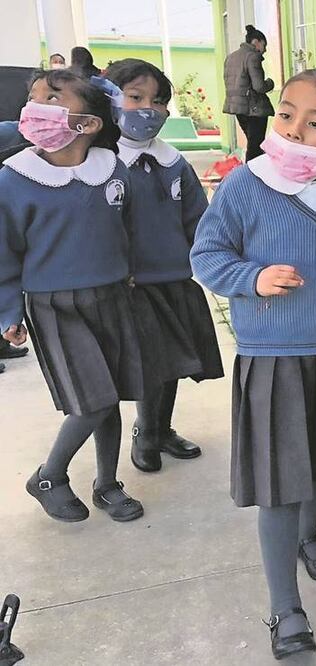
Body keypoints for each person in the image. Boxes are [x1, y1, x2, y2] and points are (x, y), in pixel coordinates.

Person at [191, 67, 316, 660]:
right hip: (274, 359)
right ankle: (285, 607)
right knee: (281, 486)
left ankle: (311, 536)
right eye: (286, 114)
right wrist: (252, 277)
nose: (295, 130)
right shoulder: (246, 186)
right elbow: (206, 255)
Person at [0, 69, 146, 523]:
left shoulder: (111, 171)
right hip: (56, 306)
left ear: (88, 124)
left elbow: (128, 233)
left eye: (51, 98)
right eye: (34, 97)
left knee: (112, 395)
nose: (35, 107)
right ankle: (49, 475)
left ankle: (107, 483)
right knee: (93, 399)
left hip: (112, 298)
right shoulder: (13, 180)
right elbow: (3, 254)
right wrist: (7, 309)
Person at [103, 59, 225, 473]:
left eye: (158, 101)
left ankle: (161, 427)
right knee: (149, 365)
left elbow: (200, 223)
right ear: (110, 99)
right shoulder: (101, 164)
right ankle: (146, 430)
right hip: (132, 286)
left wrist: (213, 263)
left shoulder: (175, 163)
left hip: (175, 278)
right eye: (135, 97)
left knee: (174, 362)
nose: (148, 109)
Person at [223, 25, 275, 162]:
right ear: (257, 42)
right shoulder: (253, 57)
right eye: (264, 45)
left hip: (237, 108)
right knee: (255, 147)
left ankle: (253, 172)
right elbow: (259, 86)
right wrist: (270, 83)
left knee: (252, 143)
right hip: (254, 108)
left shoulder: (231, 57)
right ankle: (252, 176)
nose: (265, 50)